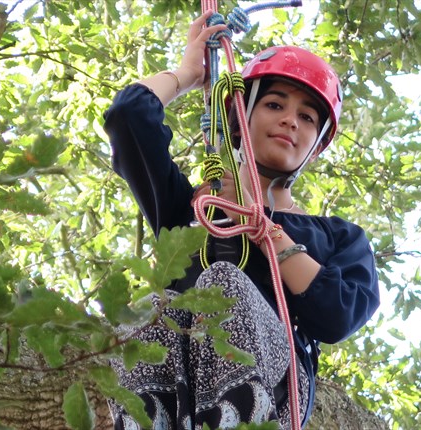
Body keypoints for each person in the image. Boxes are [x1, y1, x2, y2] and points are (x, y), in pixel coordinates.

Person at [102, 11, 380, 430]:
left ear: (316, 146)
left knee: (225, 283)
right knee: (148, 310)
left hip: (273, 394)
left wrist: (264, 227)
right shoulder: (196, 211)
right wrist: (186, 75)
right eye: (274, 104)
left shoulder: (338, 236)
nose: (290, 120)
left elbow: (339, 314)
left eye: (307, 117)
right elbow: (129, 117)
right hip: (178, 386)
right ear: (239, 119)